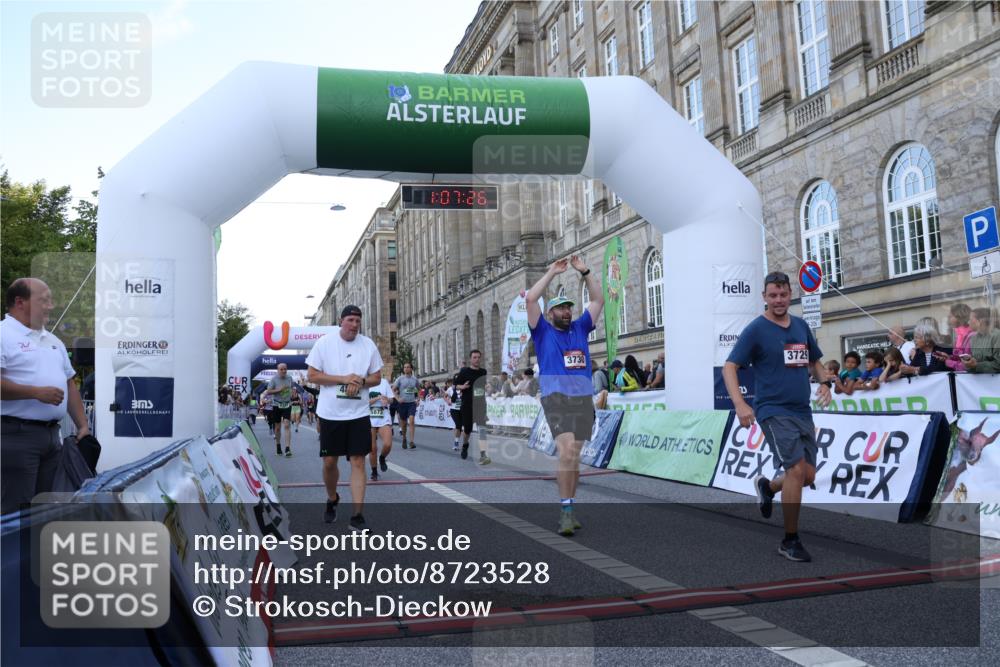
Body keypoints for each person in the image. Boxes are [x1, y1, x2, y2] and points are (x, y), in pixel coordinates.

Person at [723, 271, 833, 563]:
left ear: (789, 294)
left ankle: (768, 487)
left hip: (802, 411)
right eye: (773, 295)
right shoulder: (756, 329)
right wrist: (740, 404)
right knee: (796, 470)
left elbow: (815, 362)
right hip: (773, 410)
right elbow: (730, 366)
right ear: (764, 297)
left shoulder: (799, 326)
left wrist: (824, 382)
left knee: (808, 476)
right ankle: (790, 540)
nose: (779, 300)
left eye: (783, 294)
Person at [526, 255, 603, 536]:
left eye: (569, 307)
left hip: (583, 398)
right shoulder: (542, 331)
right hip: (555, 397)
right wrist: (550, 272)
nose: (567, 311)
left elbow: (597, 301)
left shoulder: (581, 328)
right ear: (551, 314)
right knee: (567, 451)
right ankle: (566, 510)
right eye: (561, 308)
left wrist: (586, 272)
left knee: (575, 457)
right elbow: (531, 300)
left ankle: (570, 505)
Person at [1, 278, 90, 515]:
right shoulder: (2, 335)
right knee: (16, 509)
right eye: (44, 300)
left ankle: (36, 552)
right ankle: (11, 552)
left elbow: (69, 383)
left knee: (46, 509)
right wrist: (35, 393)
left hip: (52, 438)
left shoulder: (53, 341)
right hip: (15, 437)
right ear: (19, 302)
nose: (50, 306)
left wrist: (82, 424)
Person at [306, 305, 383, 532]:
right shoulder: (324, 343)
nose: (354, 325)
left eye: (358, 321)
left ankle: (357, 516)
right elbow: (312, 375)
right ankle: (332, 498)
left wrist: (360, 381)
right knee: (330, 463)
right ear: (341, 321)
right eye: (350, 320)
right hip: (331, 413)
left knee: (358, 461)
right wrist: (343, 379)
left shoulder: (368, 345)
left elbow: (377, 377)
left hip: (359, 413)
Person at [455, 349, 490, 464]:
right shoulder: (464, 371)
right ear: (470, 359)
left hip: (480, 405)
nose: (477, 359)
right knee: (468, 430)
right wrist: (462, 387)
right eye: (474, 357)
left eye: (478, 357)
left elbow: (483, 386)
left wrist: (487, 387)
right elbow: (456, 386)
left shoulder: (483, 372)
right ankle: (465, 444)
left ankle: (483, 455)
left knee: (482, 430)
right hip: (467, 405)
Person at [263, 363, 294, 457]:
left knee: (287, 424)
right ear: (278, 370)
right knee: (277, 427)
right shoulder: (274, 379)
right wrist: (279, 390)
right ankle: (278, 446)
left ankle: (288, 448)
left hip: (287, 404)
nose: (284, 371)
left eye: (285, 369)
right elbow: (268, 391)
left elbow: (291, 388)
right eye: (282, 369)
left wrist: (290, 394)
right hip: (276, 404)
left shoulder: (289, 378)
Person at [367, 374, 394, 481]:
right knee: (372, 448)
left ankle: (382, 458)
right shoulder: (364, 383)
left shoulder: (383, 382)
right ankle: (374, 471)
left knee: (388, 444)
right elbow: (362, 402)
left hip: (383, 416)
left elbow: (392, 399)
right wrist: (377, 398)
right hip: (369, 416)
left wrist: (387, 400)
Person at [963, 307, 1000, 374]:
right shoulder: (973, 338)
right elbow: (974, 362)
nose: (968, 322)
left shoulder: (997, 336)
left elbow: (998, 364)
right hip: (977, 382)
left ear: (980, 321)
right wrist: (969, 363)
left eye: (970, 319)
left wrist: (977, 365)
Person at [392, 362, 419, 449]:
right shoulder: (400, 379)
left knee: (411, 421)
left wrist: (418, 399)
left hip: (411, 403)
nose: (406, 369)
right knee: (403, 424)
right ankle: (404, 438)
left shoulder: (415, 379)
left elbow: (419, 390)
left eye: (408, 367)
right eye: (405, 367)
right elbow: (393, 390)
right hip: (402, 404)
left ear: (411, 369)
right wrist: (397, 398)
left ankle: (411, 442)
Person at [446, 374, 463, 451]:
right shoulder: (450, 389)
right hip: (454, 409)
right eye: (456, 379)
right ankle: (456, 443)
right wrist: (448, 401)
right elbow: (445, 396)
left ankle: (458, 441)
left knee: (460, 427)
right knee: (458, 425)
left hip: (462, 409)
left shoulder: (463, 387)